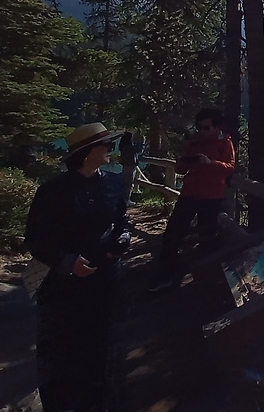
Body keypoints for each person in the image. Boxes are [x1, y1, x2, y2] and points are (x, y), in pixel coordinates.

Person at [26, 122, 133, 412]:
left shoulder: (112, 183)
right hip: (64, 287)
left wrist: (122, 240)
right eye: (106, 145)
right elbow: (35, 239)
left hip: (106, 279)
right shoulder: (53, 191)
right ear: (87, 153)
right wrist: (67, 262)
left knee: (103, 344)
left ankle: (98, 402)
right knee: (64, 349)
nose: (110, 150)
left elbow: (122, 221)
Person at [149, 108, 236, 291]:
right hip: (189, 195)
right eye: (199, 127)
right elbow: (180, 169)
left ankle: (205, 279)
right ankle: (164, 276)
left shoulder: (225, 142)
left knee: (207, 239)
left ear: (216, 127)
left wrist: (210, 163)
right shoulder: (194, 141)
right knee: (172, 235)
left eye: (206, 127)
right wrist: (183, 162)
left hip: (211, 198)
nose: (202, 131)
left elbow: (230, 167)